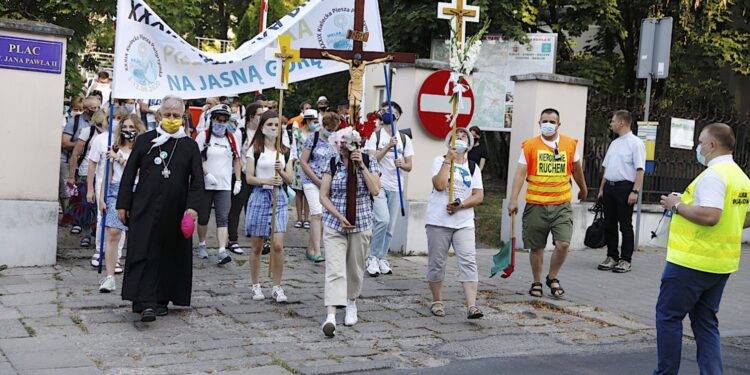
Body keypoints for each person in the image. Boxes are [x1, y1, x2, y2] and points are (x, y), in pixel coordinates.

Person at [654, 123, 750, 374]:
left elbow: (710, 216)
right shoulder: (740, 176)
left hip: (691, 261)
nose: (698, 147)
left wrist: (676, 205)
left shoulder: (713, 175)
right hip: (721, 263)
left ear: (712, 146)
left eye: (700, 142)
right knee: (706, 322)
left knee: (668, 317)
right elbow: (745, 216)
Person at [116, 95, 204, 322]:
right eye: (168, 115)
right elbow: (128, 175)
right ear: (159, 116)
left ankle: (162, 299)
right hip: (144, 207)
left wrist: (193, 208)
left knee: (168, 253)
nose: (172, 119)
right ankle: (144, 301)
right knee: (144, 251)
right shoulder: (145, 141)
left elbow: (197, 182)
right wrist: (123, 203)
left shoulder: (189, 145)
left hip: (175, 210)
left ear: (183, 117)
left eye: (176, 115)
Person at [508, 108, 587, 298]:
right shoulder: (530, 146)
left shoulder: (569, 144)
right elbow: (520, 173)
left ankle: (552, 277)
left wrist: (583, 189)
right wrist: (513, 199)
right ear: (539, 123)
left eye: (552, 121)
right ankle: (536, 281)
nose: (548, 125)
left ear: (559, 124)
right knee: (536, 247)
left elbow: (577, 170)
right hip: (536, 204)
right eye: (545, 121)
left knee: (563, 244)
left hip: (561, 204)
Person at [319, 127, 380, 337]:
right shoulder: (332, 163)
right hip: (335, 223)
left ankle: (351, 301)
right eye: (341, 142)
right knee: (335, 268)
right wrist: (338, 216)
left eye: (348, 142)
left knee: (355, 268)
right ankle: (331, 316)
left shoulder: (369, 161)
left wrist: (361, 165)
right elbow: (323, 196)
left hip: (361, 223)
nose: (344, 146)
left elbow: (376, 190)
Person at [425, 128, 484, 319]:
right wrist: (448, 161)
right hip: (438, 220)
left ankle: (472, 305)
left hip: (464, 221)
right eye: (456, 136)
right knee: (437, 262)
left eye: (463, 136)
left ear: (469, 143)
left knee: (468, 261)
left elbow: (478, 195)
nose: (460, 138)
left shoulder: (473, 166)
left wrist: (462, 205)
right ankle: (437, 301)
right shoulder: (439, 160)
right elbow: (440, 185)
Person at [244, 111, 295, 303]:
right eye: (270, 124)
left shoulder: (286, 151)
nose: (274, 128)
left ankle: (277, 286)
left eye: (277, 125)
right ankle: (256, 284)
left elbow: (290, 178)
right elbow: (249, 177)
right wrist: (266, 180)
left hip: (279, 197)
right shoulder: (254, 150)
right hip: (259, 196)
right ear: (263, 126)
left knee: (278, 245)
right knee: (257, 246)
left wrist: (280, 170)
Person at [364, 101, 414, 276]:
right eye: (384, 111)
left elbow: (410, 166)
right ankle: (372, 257)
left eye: (391, 111)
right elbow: (371, 160)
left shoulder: (405, 139)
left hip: (396, 186)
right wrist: (387, 147)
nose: (387, 113)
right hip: (379, 184)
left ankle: (381, 257)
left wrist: (402, 164)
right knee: (382, 220)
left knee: (390, 227)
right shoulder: (374, 136)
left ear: (398, 116)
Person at [98, 114, 146, 293]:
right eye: (125, 127)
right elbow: (107, 175)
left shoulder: (142, 149)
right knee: (113, 231)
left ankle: (136, 275)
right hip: (116, 191)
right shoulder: (115, 148)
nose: (128, 130)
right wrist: (102, 197)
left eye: (132, 127)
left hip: (137, 191)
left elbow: (140, 172)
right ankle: (110, 276)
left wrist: (120, 158)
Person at [596, 110, 645, 273]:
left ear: (622, 122)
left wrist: (635, 191)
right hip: (610, 186)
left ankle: (625, 259)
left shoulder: (635, 143)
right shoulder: (615, 143)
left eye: (613, 121)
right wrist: (602, 189)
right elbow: (607, 167)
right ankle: (612, 256)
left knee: (625, 224)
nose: (611, 124)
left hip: (625, 188)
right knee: (610, 223)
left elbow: (640, 170)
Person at [194, 104, 242, 265]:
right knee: (204, 217)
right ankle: (202, 243)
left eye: (223, 120)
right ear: (212, 120)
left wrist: (238, 181)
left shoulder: (231, 138)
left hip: (224, 185)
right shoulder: (204, 136)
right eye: (218, 120)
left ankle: (221, 249)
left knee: (223, 218)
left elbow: (237, 159)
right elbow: (196, 159)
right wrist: (207, 174)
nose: (220, 123)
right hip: (206, 184)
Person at [86, 107, 129, 269]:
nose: (116, 121)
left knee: (120, 222)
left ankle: (116, 256)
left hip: (121, 186)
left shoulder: (127, 141)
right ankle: (100, 250)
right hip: (102, 185)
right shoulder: (101, 139)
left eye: (120, 118)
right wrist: (90, 188)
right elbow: (92, 164)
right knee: (101, 218)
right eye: (114, 117)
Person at [300, 112, 341, 262]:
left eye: (333, 128)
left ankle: (310, 248)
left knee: (322, 216)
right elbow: (303, 161)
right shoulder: (313, 138)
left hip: (326, 181)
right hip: (311, 180)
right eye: (329, 128)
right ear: (323, 126)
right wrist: (316, 180)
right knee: (316, 213)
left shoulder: (335, 141)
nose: (330, 131)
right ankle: (317, 250)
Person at [227, 102, 265, 255]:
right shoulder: (241, 132)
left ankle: (256, 237)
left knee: (254, 207)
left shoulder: (263, 133)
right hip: (242, 175)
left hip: (258, 176)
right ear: (251, 117)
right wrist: (240, 174)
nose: (262, 118)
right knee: (236, 207)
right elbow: (235, 154)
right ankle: (233, 240)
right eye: (259, 115)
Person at [67, 102, 106, 248]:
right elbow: (75, 154)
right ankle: (86, 234)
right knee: (87, 205)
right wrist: (71, 176)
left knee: (99, 206)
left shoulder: (111, 135)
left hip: (103, 173)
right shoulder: (87, 132)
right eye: (99, 123)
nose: (102, 126)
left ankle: (97, 232)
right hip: (86, 172)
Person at [60, 97, 90, 214]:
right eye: (76, 108)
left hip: (85, 163)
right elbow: (65, 142)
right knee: (67, 190)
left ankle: (78, 217)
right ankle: (67, 216)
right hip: (68, 159)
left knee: (82, 191)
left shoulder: (99, 122)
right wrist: (81, 144)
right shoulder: (74, 121)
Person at [291, 109, 316, 229]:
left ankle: (307, 218)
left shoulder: (315, 134)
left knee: (308, 192)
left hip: (312, 164)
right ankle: (299, 218)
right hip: (299, 164)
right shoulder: (297, 133)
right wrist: (294, 159)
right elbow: (293, 148)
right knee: (299, 192)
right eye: (312, 120)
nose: (314, 123)